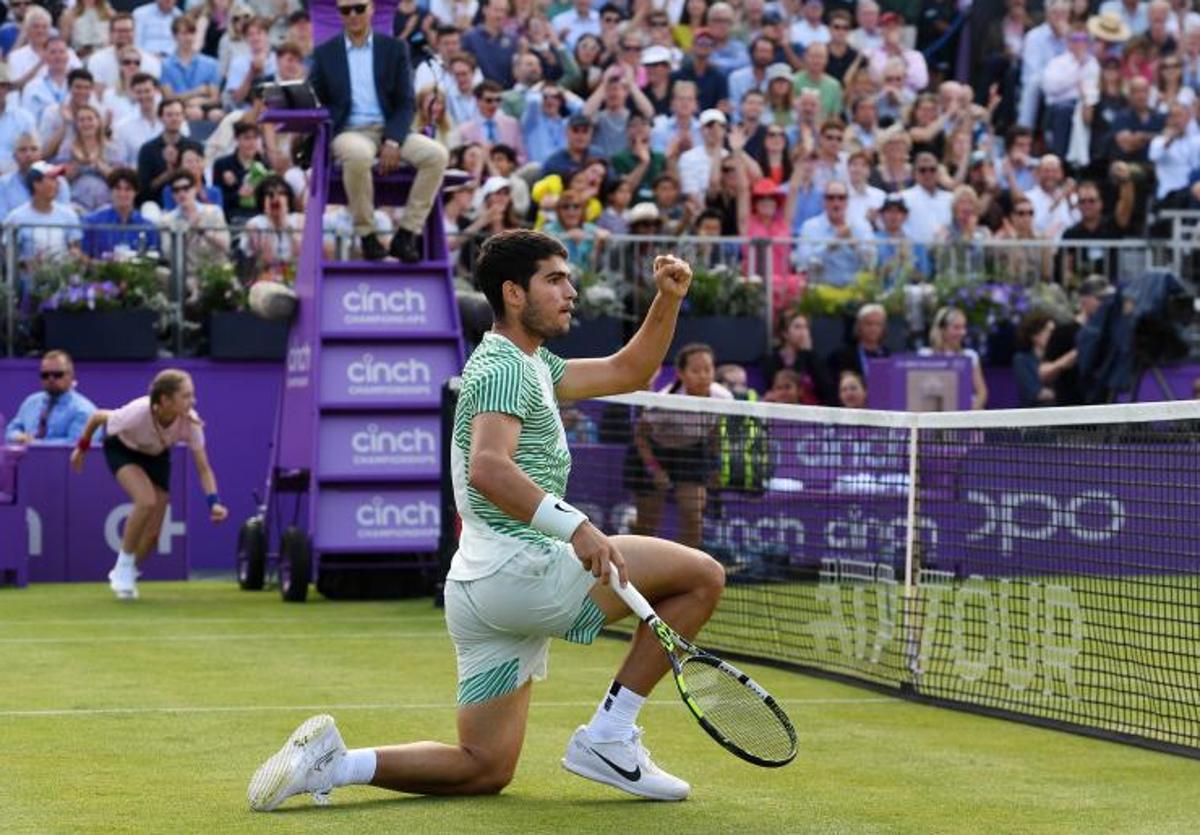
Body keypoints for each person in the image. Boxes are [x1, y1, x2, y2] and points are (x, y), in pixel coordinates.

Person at [247, 230, 723, 808]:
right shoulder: (504, 368)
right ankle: (610, 735)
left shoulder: (533, 365)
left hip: (477, 591)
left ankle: (334, 763)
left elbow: (629, 370)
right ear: (513, 293)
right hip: (523, 570)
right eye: (554, 279)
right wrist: (576, 526)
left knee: (484, 767)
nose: (570, 291)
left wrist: (668, 297)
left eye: (567, 278)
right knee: (702, 577)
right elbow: (488, 470)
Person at [308, 0, 449, 262]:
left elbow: (405, 102)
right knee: (358, 155)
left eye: (359, 8)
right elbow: (315, 97)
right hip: (348, 131)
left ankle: (407, 233)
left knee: (436, 155)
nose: (353, 15)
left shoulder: (394, 48)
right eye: (345, 10)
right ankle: (368, 235)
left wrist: (393, 140)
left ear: (372, 9)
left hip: (390, 129)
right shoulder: (325, 53)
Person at [70, 369, 228, 600]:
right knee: (145, 500)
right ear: (165, 399)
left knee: (153, 534)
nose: (192, 401)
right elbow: (96, 417)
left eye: (191, 395)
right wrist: (81, 449)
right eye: (185, 396)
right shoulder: (136, 412)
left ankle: (126, 572)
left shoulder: (190, 422)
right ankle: (123, 567)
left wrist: (214, 502)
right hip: (122, 450)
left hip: (157, 456)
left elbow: (203, 468)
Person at [627, 343, 732, 551]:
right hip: (654, 451)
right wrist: (654, 469)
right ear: (681, 374)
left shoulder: (724, 398)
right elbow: (640, 435)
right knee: (647, 525)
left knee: (693, 515)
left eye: (708, 369)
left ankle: (685, 572)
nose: (703, 375)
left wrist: (715, 464)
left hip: (692, 452)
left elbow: (715, 431)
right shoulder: (666, 401)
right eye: (695, 370)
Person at [5, 350, 96, 445]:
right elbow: (10, 432)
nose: (50, 379)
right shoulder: (30, 402)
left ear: (71, 375)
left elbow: (75, 445)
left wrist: (35, 443)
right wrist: (18, 437)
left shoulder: (84, 410)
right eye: (45, 375)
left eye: (57, 375)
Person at [920, 306, 989, 410]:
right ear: (942, 329)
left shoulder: (970, 356)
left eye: (963, 327)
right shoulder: (925, 355)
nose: (962, 333)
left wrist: (970, 414)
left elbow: (982, 392)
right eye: (956, 328)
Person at [763, 310, 833, 404]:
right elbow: (793, 383)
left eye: (805, 327)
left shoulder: (815, 358)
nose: (803, 332)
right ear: (785, 333)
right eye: (797, 327)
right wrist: (803, 354)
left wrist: (808, 354)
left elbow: (827, 390)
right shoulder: (772, 360)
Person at [1013, 312, 1058, 407]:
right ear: (1035, 336)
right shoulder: (1021, 359)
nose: (1054, 336)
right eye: (1049, 332)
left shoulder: (1056, 357)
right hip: (1034, 413)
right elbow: (1035, 393)